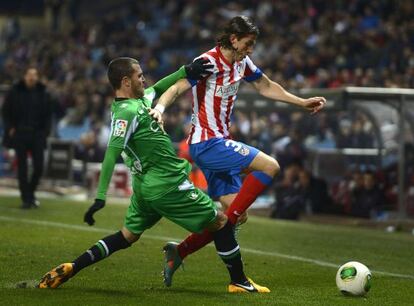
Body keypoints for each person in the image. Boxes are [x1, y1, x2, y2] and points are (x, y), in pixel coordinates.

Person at [37, 57, 269, 293]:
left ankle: (72, 267)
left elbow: (157, 89)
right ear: (126, 81)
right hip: (167, 185)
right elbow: (110, 155)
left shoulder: (139, 101)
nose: (144, 78)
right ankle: (238, 281)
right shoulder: (125, 114)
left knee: (127, 236)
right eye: (139, 75)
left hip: (145, 187)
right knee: (221, 222)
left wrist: (184, 70)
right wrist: (100, 197)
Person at [149, 15, 326, 286]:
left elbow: (266, 85)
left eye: (253, 44)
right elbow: (176, 87)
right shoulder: (207, 62)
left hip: (219, 142)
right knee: (271, 166)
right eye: (248, 43)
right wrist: (159, 110)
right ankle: (237, 277)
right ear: (234, 39)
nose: (250, 49)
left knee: (234, 216)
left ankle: (181, 251)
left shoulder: (242, 62)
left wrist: (300, 102)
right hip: (206, 144)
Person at [1, 68, 53, 209]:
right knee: (22, 168)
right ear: (24, 76)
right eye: (29, 74)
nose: (32, 77)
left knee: (39, 167)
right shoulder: (15, 91)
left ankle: (30, 193)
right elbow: (6, 111)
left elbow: (49, 114)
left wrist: (45, 132)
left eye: (34, 75)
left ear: (37, 77)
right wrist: (10, 127)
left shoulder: (43, 92)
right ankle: (26, 198)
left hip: (37, 134)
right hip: (20, 133)